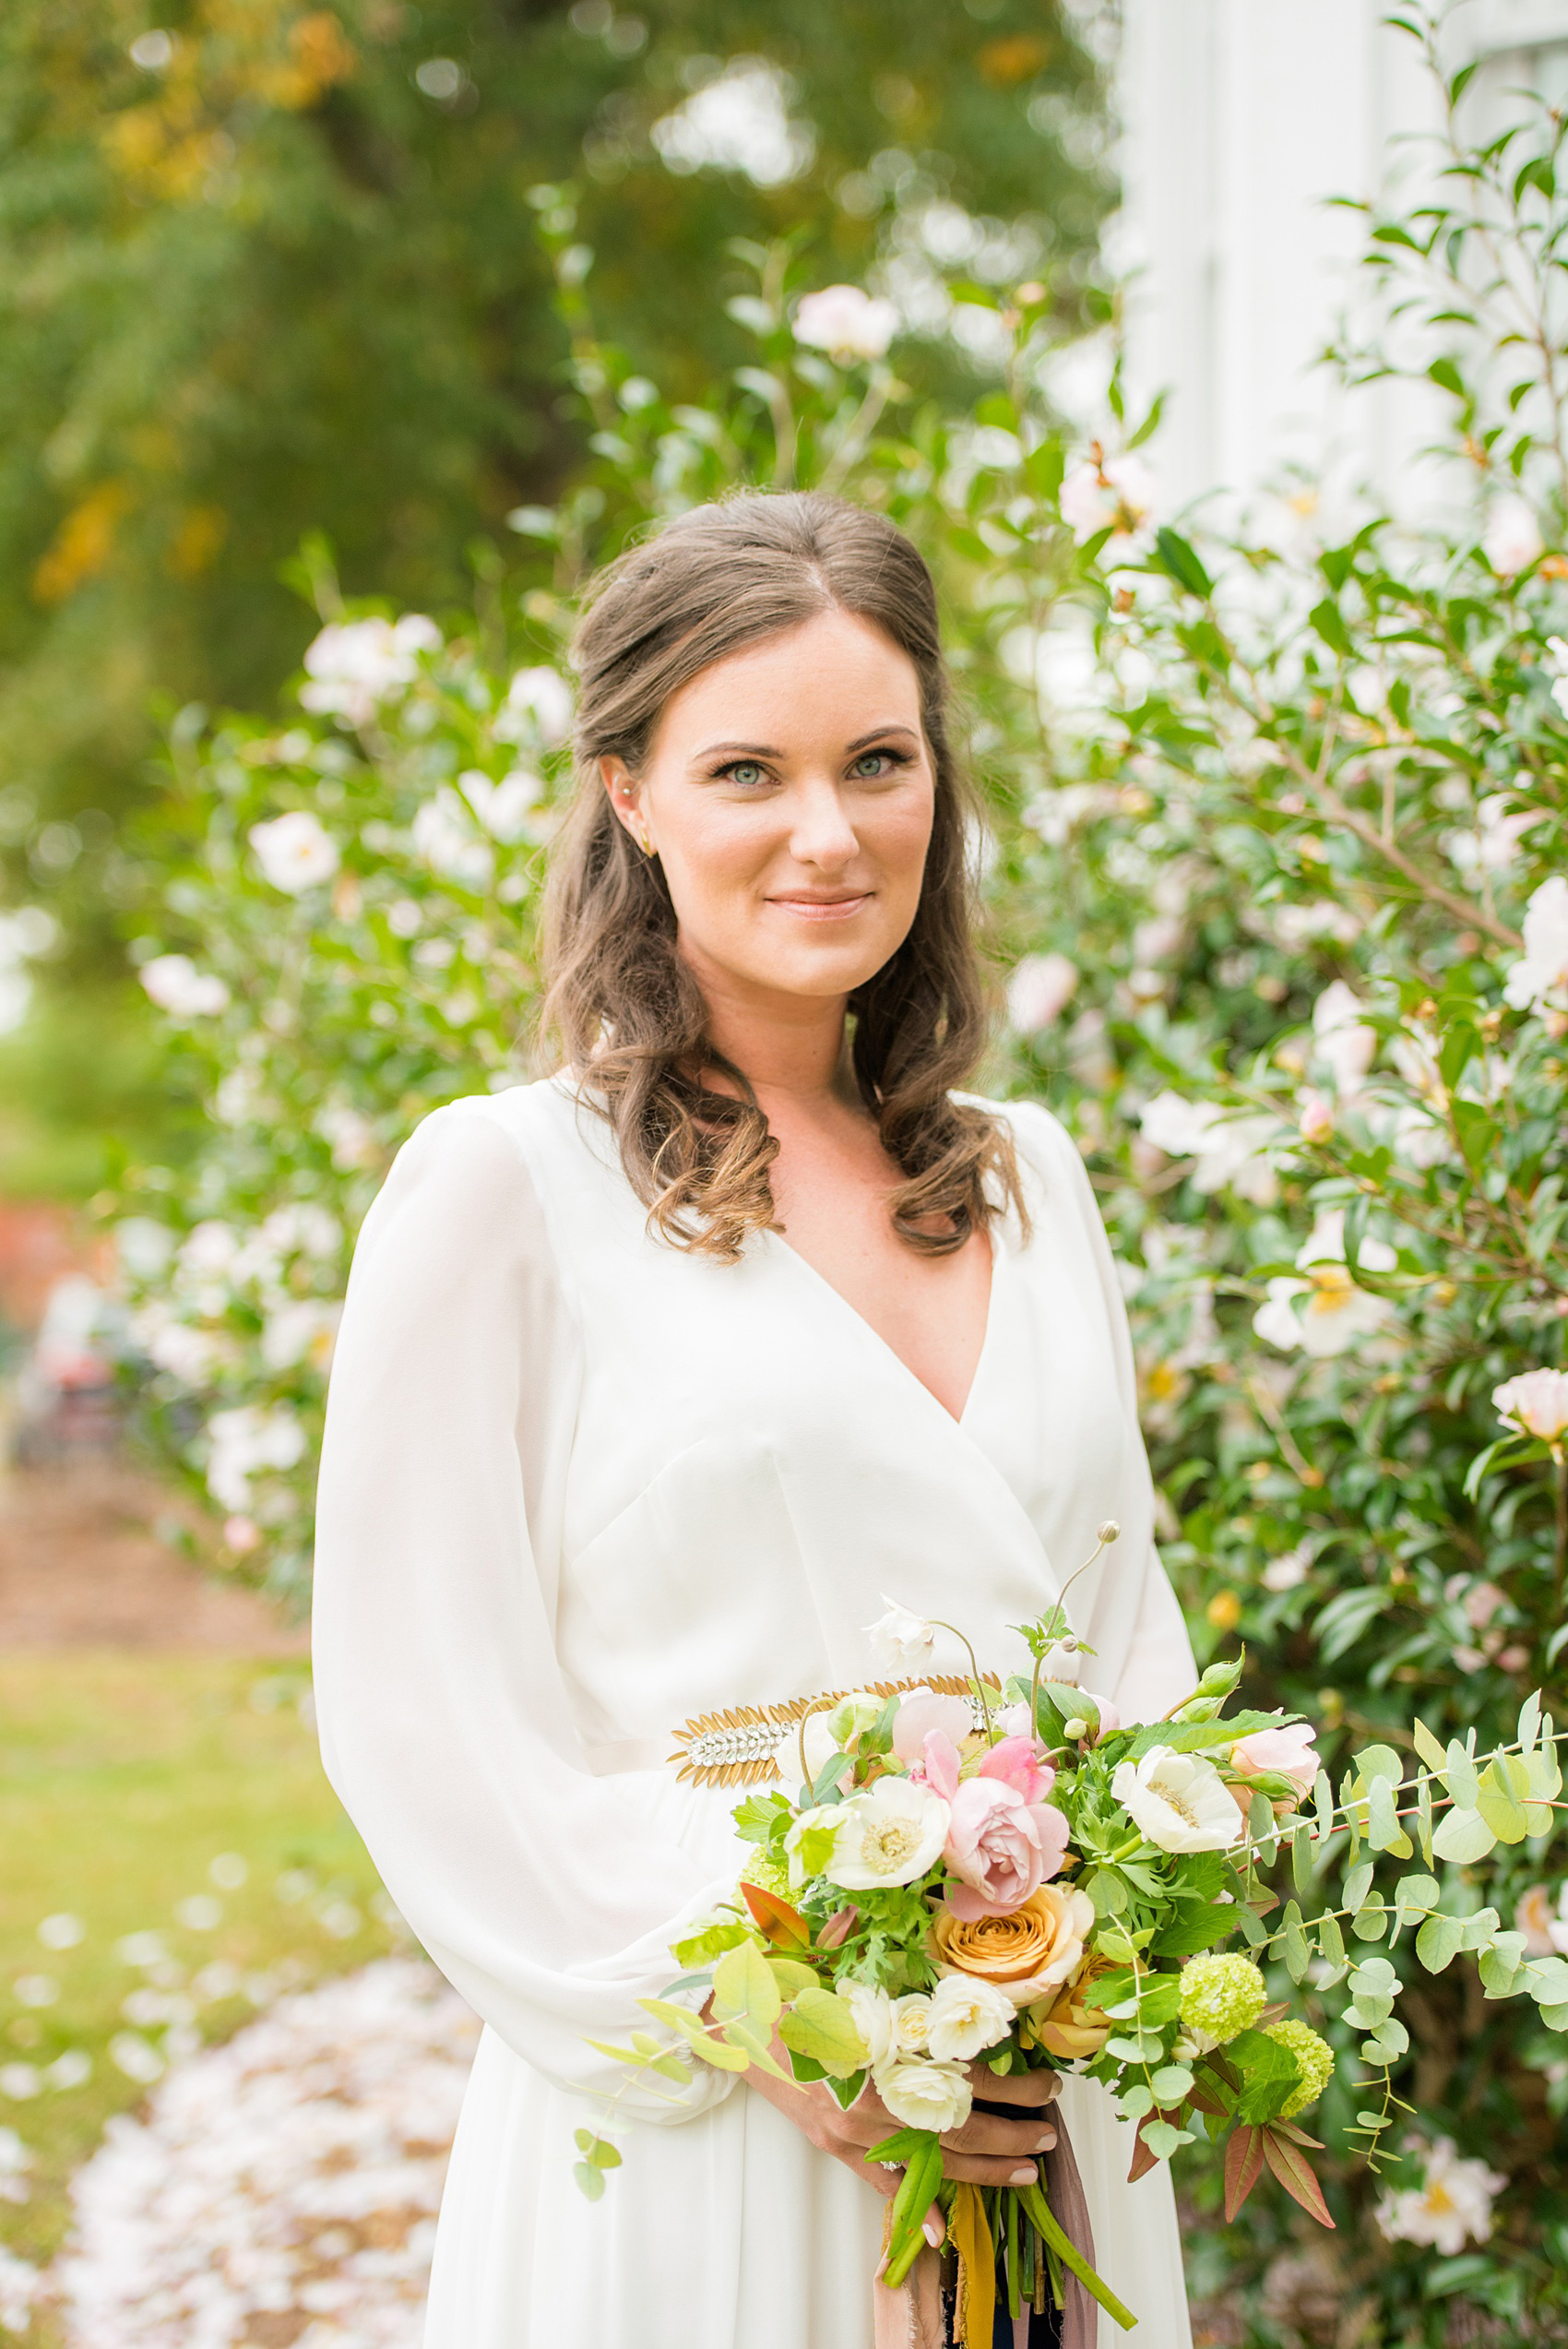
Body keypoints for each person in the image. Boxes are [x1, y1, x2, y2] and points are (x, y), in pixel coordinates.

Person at [312, 490, 1196, 2349]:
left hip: (1039, 2096)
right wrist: (783, 2023)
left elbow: (1124, 1650)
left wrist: (1081, 1961)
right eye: (746, 770)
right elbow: (424, 1713)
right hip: (702, 2105)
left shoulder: (1027, 1180)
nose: (826, 831)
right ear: (626, 789)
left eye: (877, 760)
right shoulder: (506, 1187)